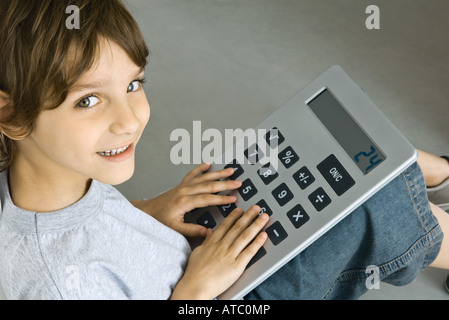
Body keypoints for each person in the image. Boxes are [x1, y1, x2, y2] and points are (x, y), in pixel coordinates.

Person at [0, 0, 447, 300]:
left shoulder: (39, 185)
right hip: (211, 294)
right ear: (11, 117)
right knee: (374, 202)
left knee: (316, 153)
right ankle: (425, 177)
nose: (130, 119)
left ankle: (426, 170)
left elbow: (79, 227)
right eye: (88, 100)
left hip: (192, 259)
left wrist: (147, 213)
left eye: (133, 84)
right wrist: (194, 290)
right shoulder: (60, 284)